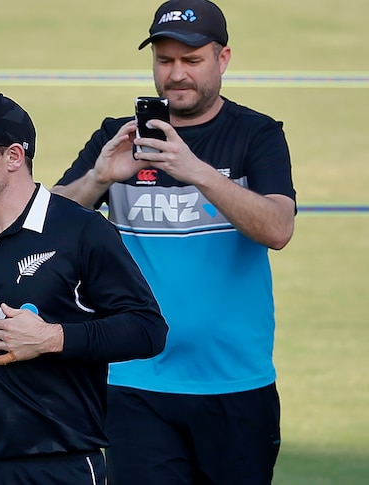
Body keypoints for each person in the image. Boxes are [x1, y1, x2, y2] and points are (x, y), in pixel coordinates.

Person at [52, 1, 297, 483]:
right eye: (165, 60)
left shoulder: (257, 135)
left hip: (235, 382)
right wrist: (98, 178)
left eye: (192, 60)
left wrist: (196, 172)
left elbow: (278, 228)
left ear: (222, 59)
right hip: (133, 379)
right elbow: (49, 225)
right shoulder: (116, 136)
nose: (177, 74)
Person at [0, 92, 168, 485]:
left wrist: (53, 338)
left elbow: (147, 329)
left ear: (13, 156)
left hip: (61, 465)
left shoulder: (82, 232)